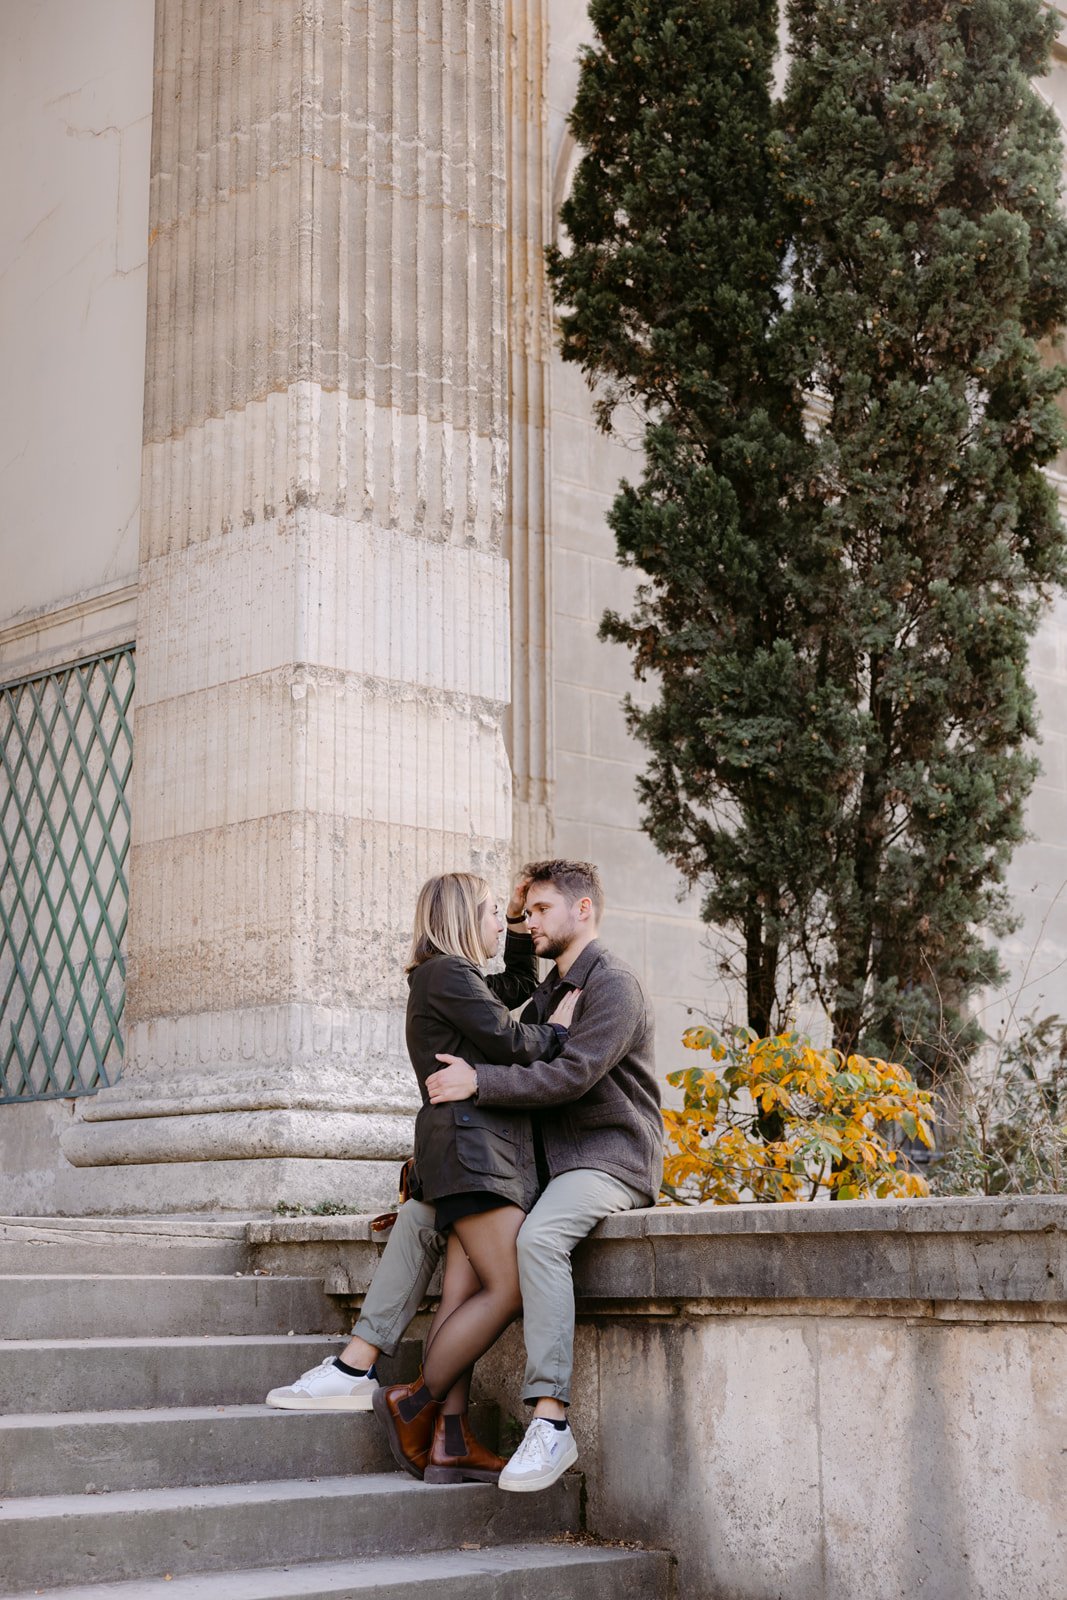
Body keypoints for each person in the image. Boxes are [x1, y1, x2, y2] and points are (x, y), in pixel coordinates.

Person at [270, 859, 663, 1493]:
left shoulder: (611, 984)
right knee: (429, 1225)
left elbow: (569, 1073)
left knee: (526, 1246)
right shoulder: (534, 988)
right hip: (528, 1164)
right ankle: (404, 1403)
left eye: (538, 911)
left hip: (606, 1155)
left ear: (583, 909)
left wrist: (479, 1078)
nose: (526, 922)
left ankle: (530, 1417)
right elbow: (514, 1015)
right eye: (518, 912)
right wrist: (516, 933)